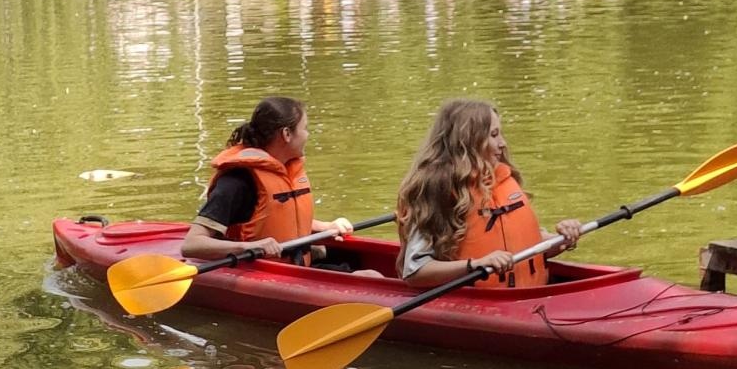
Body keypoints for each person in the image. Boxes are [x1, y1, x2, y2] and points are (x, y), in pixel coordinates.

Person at [396, 99, 582, 288]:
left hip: (531, 297)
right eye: (494, 135)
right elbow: (415, 271)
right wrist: (476, 265)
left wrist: (563, 239)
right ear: (469, 140)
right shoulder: (437, 188)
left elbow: (525, 249)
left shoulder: (500, 179)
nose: (503, 143)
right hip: (473, 304)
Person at [181, 95, 353, 263]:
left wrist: (326, 227)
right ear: (286, 134)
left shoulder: (286, 169)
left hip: (296, 269)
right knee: (369, 275)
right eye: (305, 128)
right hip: (261, 273)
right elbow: (192, 245)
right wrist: (248, 247)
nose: (308, 135)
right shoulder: (239, 180)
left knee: (365, 271)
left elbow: (285, 217)